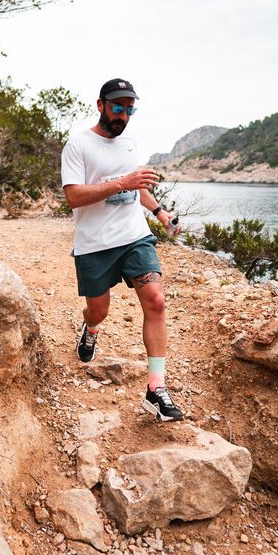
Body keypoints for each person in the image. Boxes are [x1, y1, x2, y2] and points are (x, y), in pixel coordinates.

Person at [60, 78, 184, 422]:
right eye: (118, 107)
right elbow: (73, 196)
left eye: (130, 109)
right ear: (100, 105)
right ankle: (91, 329)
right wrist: (121, 183)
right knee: (98, 311)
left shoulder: (129, 143)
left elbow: (137, 187)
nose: (123, 115)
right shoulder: (78, 144)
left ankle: (156, 389)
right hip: (94, 245)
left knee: (156, 301)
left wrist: (160, 213)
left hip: (134, 237)